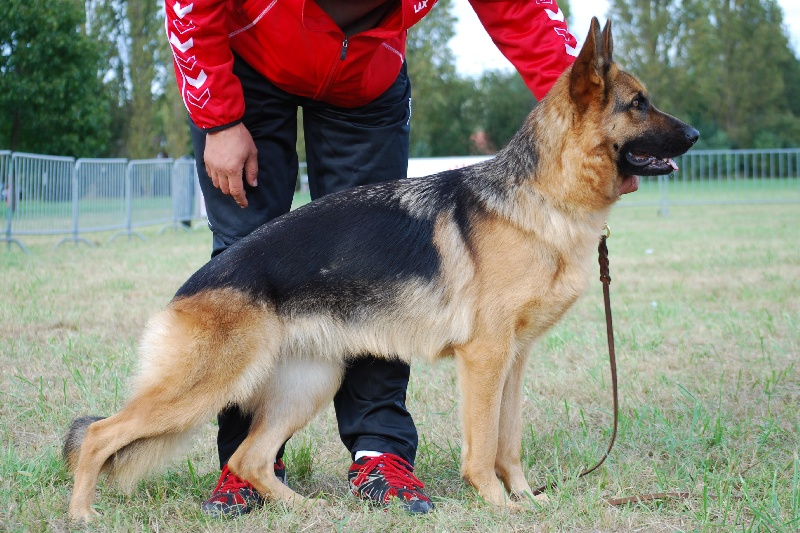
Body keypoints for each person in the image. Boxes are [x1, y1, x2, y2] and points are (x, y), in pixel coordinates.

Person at [166, 0, 600, 518]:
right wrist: (218, 118)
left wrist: (593, 123)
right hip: (250, 59)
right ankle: (246, 464)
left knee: (386, 259)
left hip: (365, 74)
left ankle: (380, 452)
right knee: (247, 254)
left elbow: (522, 10)